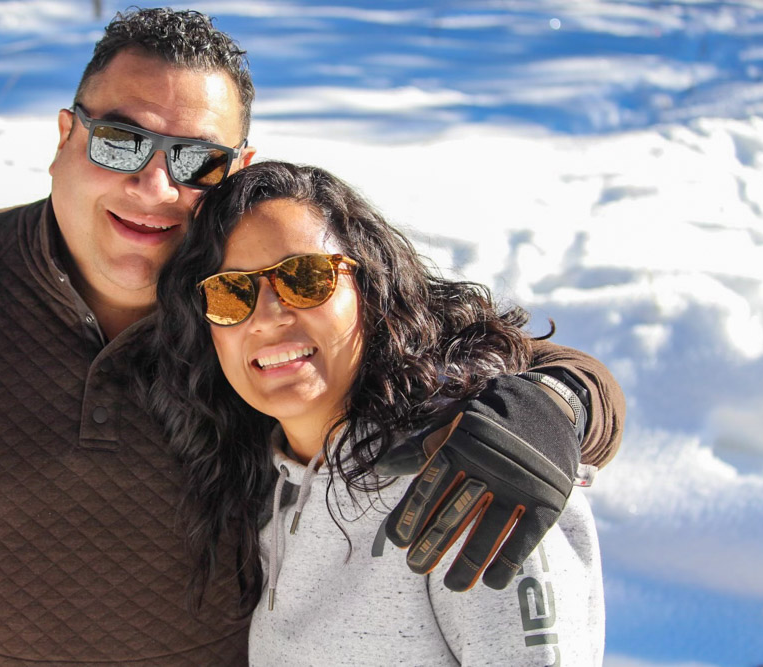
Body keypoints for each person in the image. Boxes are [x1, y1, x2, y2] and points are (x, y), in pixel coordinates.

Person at [0, 7, 622, 666]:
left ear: (234, 169)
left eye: (193, 160)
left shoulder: (255, 321)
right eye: (121, 139)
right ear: (65, 138)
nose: (153, 182)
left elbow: (445, 344)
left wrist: (552, 402)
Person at [149, 160, 607, 665]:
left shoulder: (478, 470)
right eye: (230, 292)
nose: (267, 316)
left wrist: (559, 399)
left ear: (371, 291)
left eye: (304, 278)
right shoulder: (262, 483)